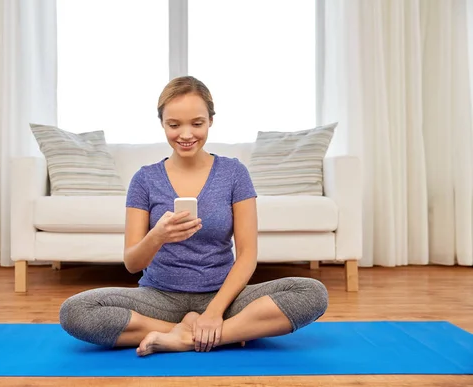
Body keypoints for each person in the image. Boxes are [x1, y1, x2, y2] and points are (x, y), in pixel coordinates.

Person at [59, 76, 328, 357]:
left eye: (196, 124)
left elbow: (247, 255)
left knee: (311, 292)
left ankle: (187, 337)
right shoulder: (145, 179)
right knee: (76, 311)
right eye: (174, 125)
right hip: (159, 297)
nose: (186, 135)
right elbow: (132, 262)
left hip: (223, 297)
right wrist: (157, 236)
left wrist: (213, 313)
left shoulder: (234, 174)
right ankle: (217, 332)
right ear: (162, 123)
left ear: (211, 120)